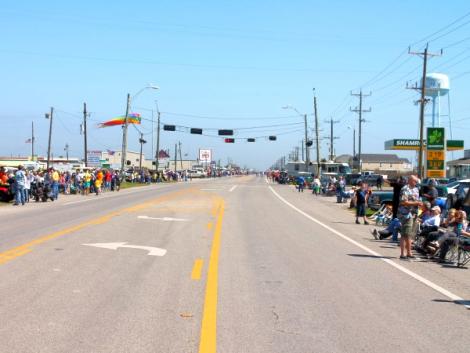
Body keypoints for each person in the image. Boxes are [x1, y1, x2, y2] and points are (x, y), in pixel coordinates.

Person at [398, 175, 422, 259]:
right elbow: (404, 202)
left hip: (414, 213)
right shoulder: (405, 189)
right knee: (406, 234)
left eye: (416, 181)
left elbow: (417, 200)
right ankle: (403, 253)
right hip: (406, 214)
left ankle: (408, 252)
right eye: (414, 181)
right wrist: (416, 203)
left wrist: (419, 204)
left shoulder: (416, 189)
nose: (416, 183)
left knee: (409, 234)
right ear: (410, 180)